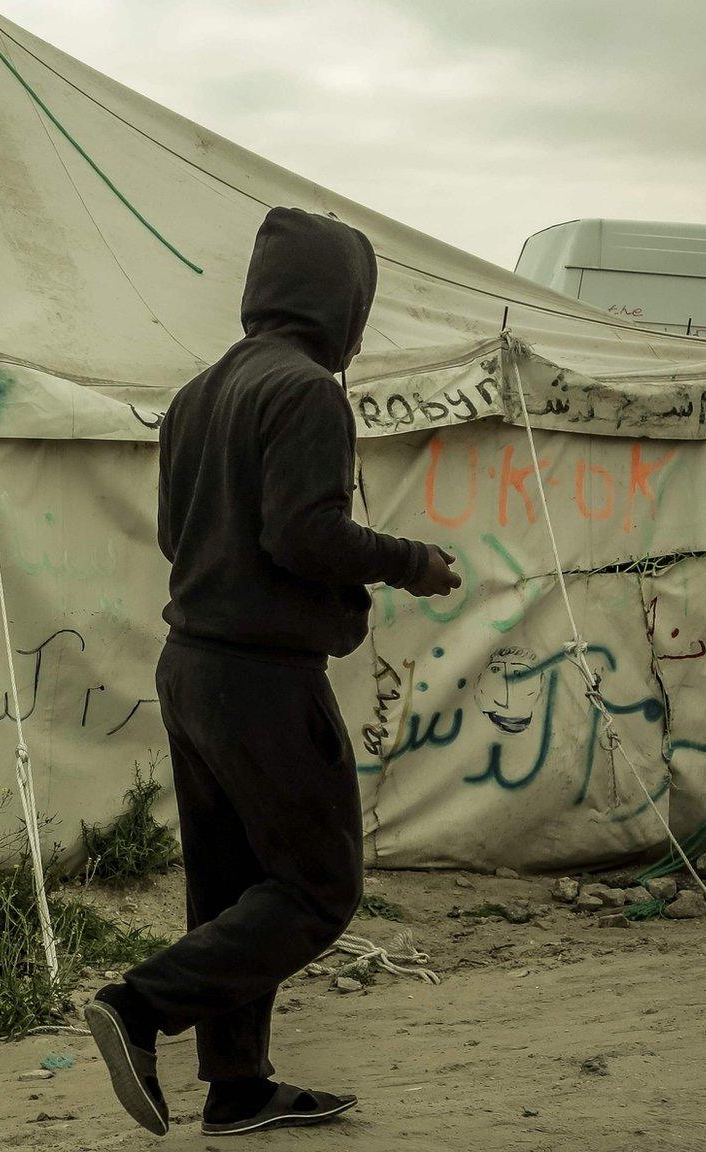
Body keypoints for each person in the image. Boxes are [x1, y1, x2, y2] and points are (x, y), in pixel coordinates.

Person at [85, 206, 461, 1138]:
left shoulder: (197, 394)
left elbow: (179, 537)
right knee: (317, 885)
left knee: (230, 887)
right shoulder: (306, 393)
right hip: (262, 679)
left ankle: (238, 1087)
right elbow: (305, 534)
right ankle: (140, 1008)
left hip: (191, 667)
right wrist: (412, 561)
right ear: (343, 301)